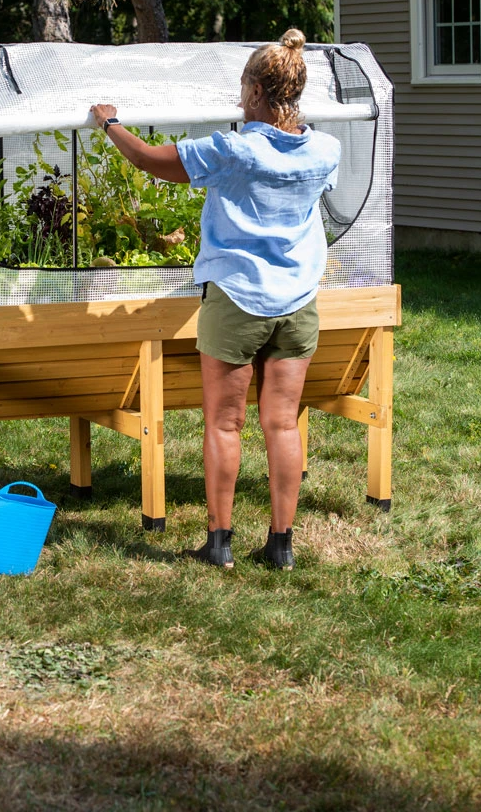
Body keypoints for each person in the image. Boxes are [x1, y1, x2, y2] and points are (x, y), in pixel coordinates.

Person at [90, 29, 341, 570]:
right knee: (283, 424)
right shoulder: (326, 149)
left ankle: (219, 543)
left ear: (255, 90)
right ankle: (281, 547)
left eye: (243, 86)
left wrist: (109, 123)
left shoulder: (232, 150)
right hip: (298, 302)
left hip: (238, 299)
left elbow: (150, 159)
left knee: (226, 424)